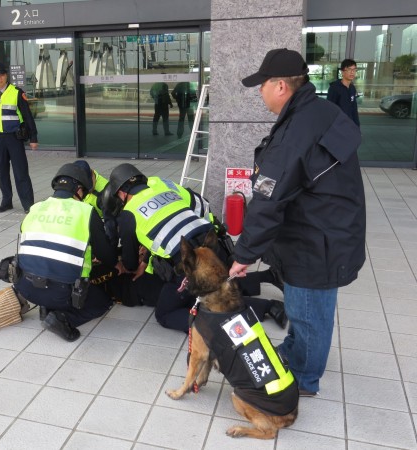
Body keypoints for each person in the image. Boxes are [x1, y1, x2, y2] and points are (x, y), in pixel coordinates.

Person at [231, 48, 366, 396]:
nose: (259, 92)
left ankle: (303, 380)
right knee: (305, 310)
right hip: (329, 230)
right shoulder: (320, 111)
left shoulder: (295, 132)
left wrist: (244, 255)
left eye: (261, 84)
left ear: (279, 86)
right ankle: (294, 354)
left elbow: (268, 200)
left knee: (309, 316)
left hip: (315, 241)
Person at [108, 164, 286, 333]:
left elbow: (130, 264)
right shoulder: (164, 189)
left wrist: (132, 264)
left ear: (122, 194)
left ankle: (219, 326)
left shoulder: (128, 213)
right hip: (215, 247)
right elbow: (198, 205)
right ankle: (269, 287)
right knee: (223, 284)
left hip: (190, 263)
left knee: (169, 312)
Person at [14, 163, 117, 341]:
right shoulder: (86, 212)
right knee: (103, 302)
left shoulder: (35, 208)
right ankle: (62, 319)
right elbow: (107, 256)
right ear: (78, 189)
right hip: (62, 293)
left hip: (26, 287)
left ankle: (46, 306)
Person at [0, 62, 38, 214]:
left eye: (2, 75)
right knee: (2, 171)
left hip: (14, 138)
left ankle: (28, 204)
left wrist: (33, 138)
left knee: (21, 171)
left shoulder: (17, 92)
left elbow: (27, 116)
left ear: (6, 75)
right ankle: (6, 201)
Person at [327, 58, 360, 127]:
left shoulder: (352, 88)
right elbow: (329, 110)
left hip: (349, 126)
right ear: (342, 72)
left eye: (354, 70)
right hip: (338, 127)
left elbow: (354, 109)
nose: (352, 72)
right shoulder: (334, 88)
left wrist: (357, 127)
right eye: (349, 69)